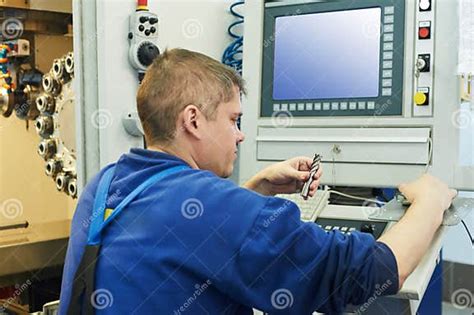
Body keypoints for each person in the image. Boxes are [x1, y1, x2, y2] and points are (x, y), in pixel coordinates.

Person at [58, 48, 457, 314]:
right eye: (234, 119)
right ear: (193, 120)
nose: (240, 135)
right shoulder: (214, 208)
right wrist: (429, 201)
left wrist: (253, 191)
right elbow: (369, 273)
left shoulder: (104, 185)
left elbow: (178, 235)